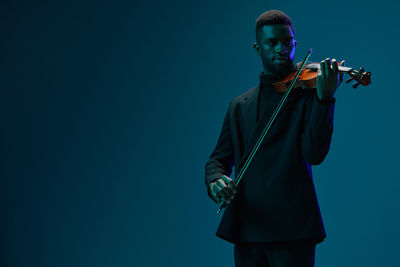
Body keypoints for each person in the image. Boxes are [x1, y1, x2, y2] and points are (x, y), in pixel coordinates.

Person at [205, 10, 345, 267]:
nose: (282, 49)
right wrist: (215, 179)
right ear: (258, 48)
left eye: (288, 42)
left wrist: (324, 100)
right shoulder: (239, 105)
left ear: (295, 44)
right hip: (248, 225)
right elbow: (218, 158)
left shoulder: (308, 94)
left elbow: (314, 154)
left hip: (293, 227)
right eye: (272, 43)